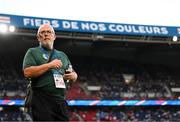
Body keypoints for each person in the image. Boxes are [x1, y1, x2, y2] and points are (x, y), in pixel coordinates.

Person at [22, 23, 78, 121]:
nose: (46, 34)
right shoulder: (32, 52)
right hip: (41, 100)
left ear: (54, 36)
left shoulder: (62, 55)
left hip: (60, 100)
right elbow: (27, 73)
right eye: (42, 32)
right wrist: (49, 65)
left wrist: (73, 76)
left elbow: (73, 74)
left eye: (49, 32)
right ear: (38, 37)